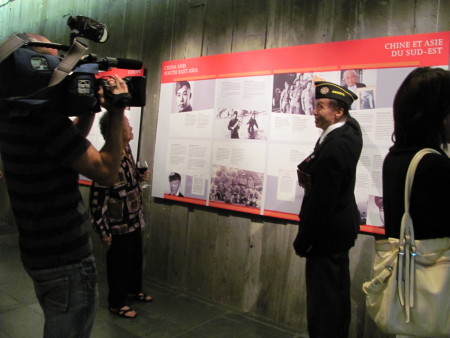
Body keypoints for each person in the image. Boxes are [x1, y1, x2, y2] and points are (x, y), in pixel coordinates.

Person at [0, 34, 128, 337]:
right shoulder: (41, 121)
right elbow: (107, 173)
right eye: (54, 60)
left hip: (39, 251)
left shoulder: (12, 113)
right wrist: (117, 111)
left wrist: (86, 110)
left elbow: (63, 147)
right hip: (66, 261)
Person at [293, 81, 362, 338]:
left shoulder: (335, 145)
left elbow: (322, 201)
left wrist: (305, 241)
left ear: (338, 112)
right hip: (337, 231)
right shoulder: (347, 134)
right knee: (335, 295)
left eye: (320, 106)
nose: (314, 111)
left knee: (324, 304)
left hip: (326, 235)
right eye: (315, 105)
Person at [90, 113, 152, 319]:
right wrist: (103, 231)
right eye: (126, 124)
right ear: (116, 130)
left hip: (133, 218)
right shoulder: (107, 157)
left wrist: (138, 176)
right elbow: (97, 199)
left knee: (134, 258)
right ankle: (116, 303)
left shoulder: (125, 150)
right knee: (118, 264)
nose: (131, 126)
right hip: (117, 224)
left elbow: (128, 176)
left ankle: (133, 291)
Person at [383, 67, 450, 241]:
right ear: (439, 114)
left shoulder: (394, 157)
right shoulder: (435, 165)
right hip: (432, 264)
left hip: (407, 265)